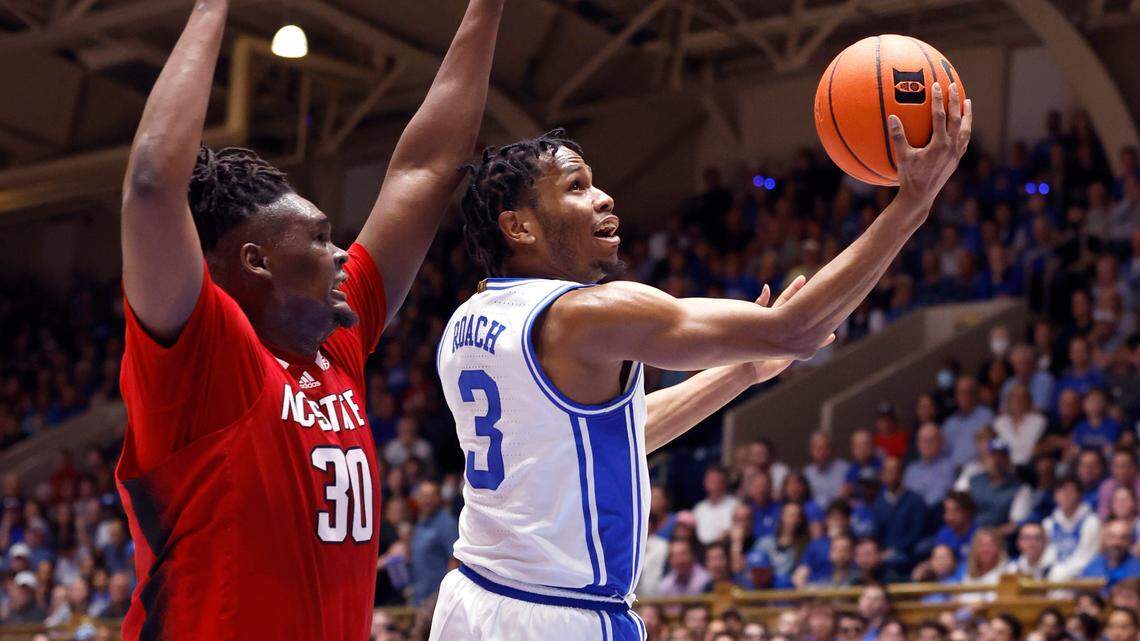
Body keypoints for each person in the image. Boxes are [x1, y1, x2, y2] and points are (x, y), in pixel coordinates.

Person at [428, 80, 970, 638]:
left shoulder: (468, 322)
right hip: (555, 617)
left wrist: (742, 372)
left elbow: (620, 433)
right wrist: (913, 203)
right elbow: (797, 328)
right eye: (576, 187)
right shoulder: (583, 315)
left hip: (472, 599)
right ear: (520, 227)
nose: (604, 198)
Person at [114, 0, 502, 638]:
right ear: (256, 262)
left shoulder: (336, 342)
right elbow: (154, 184)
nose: (344, 251)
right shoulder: (206, 359)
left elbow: (428, 168)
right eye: (320, 238)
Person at [871, 456, 926, 577]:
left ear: (901, 474)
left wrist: (896, 549)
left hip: (910, 555)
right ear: (882, 475)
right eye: (887, 472)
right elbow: (876, 534)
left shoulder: (915, 501)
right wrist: (881, 552)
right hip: (885, 558)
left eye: (894, 471)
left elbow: (917, 532)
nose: (891, 476)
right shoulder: (878, 504)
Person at [942, 376, 996, 468]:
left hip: (981, 467)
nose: (964, 396)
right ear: (956, 396)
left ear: (975, 394)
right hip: (955, 471)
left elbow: (993, 445)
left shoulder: (986, 416)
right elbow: (944, 453)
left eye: (968, 392)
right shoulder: (949, 424)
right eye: (961, 393)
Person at [903, 423, 957, 507]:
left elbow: (938, 497)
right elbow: (905, 497)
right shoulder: (911, 469)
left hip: (933, 514)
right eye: (922, 440)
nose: (926, 445)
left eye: (930, 440)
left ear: (941, 442)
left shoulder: (948, 467)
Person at [1082, 520, 1140, 586]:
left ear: (1131, 541)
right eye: (1112, 537)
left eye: (1123, 538)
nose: (1117, 542)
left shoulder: (1137, 570)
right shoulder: (1093, 565)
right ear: (1104, 539)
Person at [693, 466, 740, 545]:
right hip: (701, 550)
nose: (715, 485)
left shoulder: (735, 505)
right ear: (705, 483)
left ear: (725, 483)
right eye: (711, 481)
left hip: (725, 548)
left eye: (718, 481)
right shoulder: (699, 508)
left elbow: (737, 530)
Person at [805, 431, 851, 507]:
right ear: (811, 450)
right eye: (817, 448)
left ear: (831, 449)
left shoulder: (845, 469)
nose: (821, 452)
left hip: (838, 512)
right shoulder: (807, 473)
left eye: (825, 447)